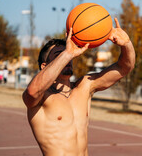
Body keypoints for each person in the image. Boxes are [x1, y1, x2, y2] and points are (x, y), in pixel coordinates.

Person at [22, 18, 135, 156]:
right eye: (59, 55)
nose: (68, 58)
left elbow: (124, 68)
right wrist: (67, 53)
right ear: (44, 66)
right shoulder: (41, 97)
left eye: (68, 54)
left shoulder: (84, 87)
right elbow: (32, 92)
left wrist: (126, 44)